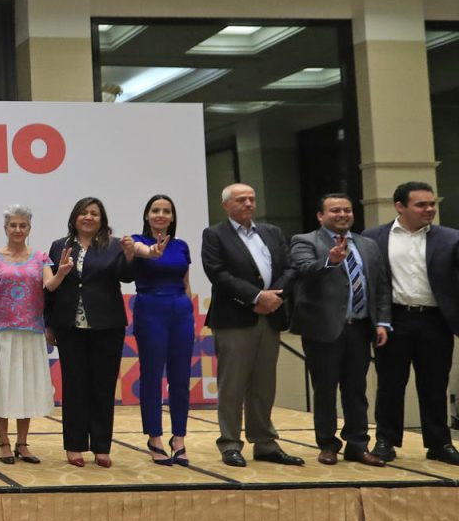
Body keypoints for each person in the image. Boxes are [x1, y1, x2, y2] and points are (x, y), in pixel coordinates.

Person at [360, 181, 459, 466]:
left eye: (432, 204)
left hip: (435, 320)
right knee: (390, 384)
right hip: (394, 319)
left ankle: (440, 444)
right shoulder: (374, 237)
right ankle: (386, 441)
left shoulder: (449, 237)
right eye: (421, 205)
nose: (429, 209)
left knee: (434, 384)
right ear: (400, 207)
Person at [201, 183, 302, 468]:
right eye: (241, 199)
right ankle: (230, 443)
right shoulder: (214, 235)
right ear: (226, 205)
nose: (248, 204)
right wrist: (256, 297)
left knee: (264, 384)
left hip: (270, 316)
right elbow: (217, 273)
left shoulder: (271, 232)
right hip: (234, 318)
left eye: (251, 199)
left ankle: (265, 443)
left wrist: (273, 297)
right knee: (233, 384)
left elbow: (291, 267)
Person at [288, 193, 390, 467]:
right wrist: (330, 261)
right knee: (325, 389)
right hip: (323, 329)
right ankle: (327, 445)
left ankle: (358, 444)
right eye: (335, 211)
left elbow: (379, 286)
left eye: (347, 209)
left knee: (357, 390)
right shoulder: (305, 241)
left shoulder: (368, 245)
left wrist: (382, 321)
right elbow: (303, 271)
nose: (342, 214)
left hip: (359, 328)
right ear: (321, 216)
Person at [0, 204, 68, 465]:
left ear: (29, 228)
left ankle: (23, 443)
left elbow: (49, 285)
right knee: (1, 387)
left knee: (26, 387)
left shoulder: (40, 258)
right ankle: (4, 442)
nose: (18, 230)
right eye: (13, 225)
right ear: (5, 228)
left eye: (23, 225)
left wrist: (61, 273)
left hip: (30, 331)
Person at [45, 197, 134, 468]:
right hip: (69, 326)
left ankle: (101, 446)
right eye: (83, 213)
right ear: (74, 218)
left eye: (94, 213)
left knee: (103, 386)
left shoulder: (113, 245)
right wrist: (48, 324)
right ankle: (74, 445)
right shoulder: (60, 246)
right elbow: (50, 288)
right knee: (74, 386)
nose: (88, 217)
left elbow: (126, 277)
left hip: (107, 325)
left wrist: (130, 256)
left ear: (102, 219)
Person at [122, 194, 194, 467]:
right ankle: (155, 437)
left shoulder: (182, 246)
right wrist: (152, 252)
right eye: (155, 210)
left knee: (180, 377)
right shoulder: (136, 240)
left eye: (166, 211)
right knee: (152, 375)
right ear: (147, 215)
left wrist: (188, 309)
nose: (160, 214)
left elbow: (185, 280)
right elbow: (139, 253)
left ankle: (179, 438)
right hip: (150, 307)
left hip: (180, 310)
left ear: (172, 217)